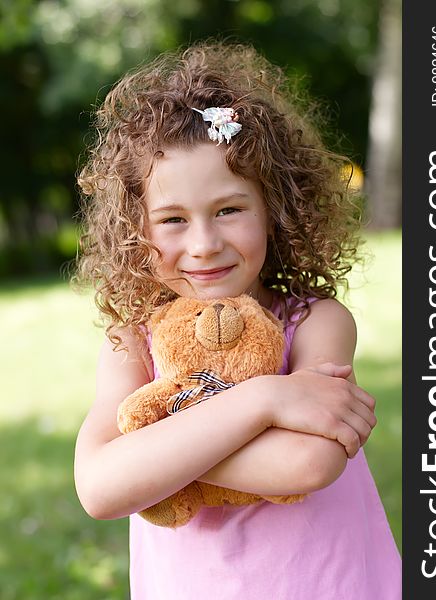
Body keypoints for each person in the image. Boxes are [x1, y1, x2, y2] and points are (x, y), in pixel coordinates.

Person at [73, 41, 401, 599]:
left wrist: (156, 457)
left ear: (275, 209)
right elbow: (101, 488)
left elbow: (307, 462)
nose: (204, 244)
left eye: (229, 209)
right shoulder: (133, 343)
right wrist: (266, 400)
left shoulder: (314, 321)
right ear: (136, 230)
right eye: (172, 219)